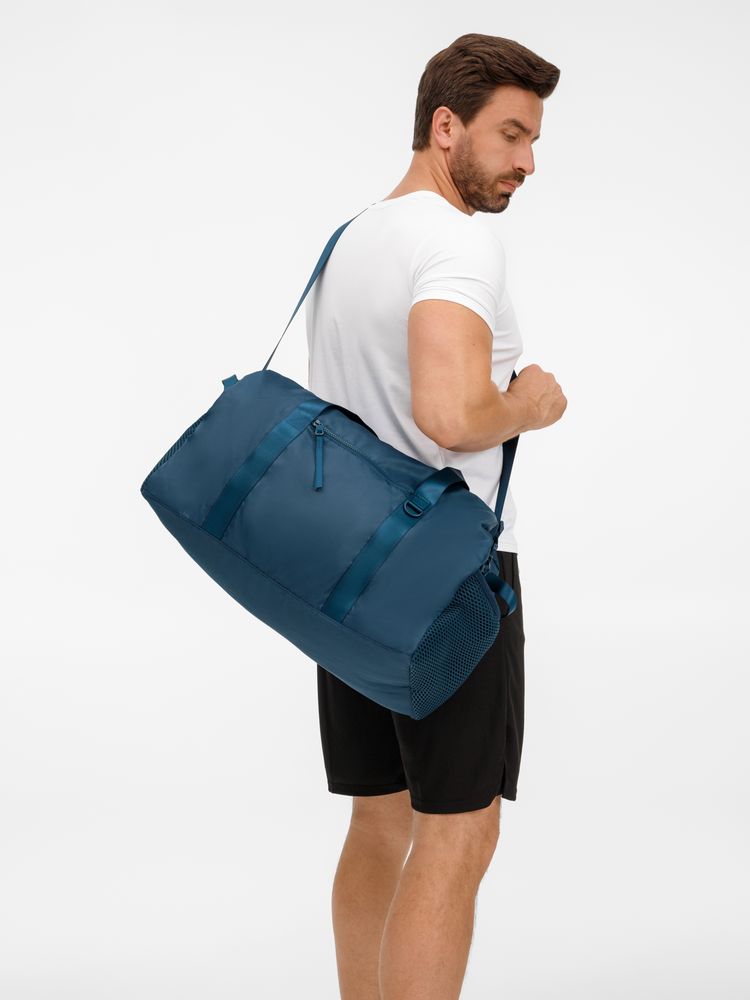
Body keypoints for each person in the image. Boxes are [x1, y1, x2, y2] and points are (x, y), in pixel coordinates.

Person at [305, 32, 567, 1000]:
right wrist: (530, 404)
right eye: (511, 135)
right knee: (458, 831)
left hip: (347, 569)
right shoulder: (457, 243)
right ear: (445, 126)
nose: (527, 162)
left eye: (533, 140)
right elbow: (450, 416)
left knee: (380, 819)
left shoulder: (353, 237)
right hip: (444, 576)